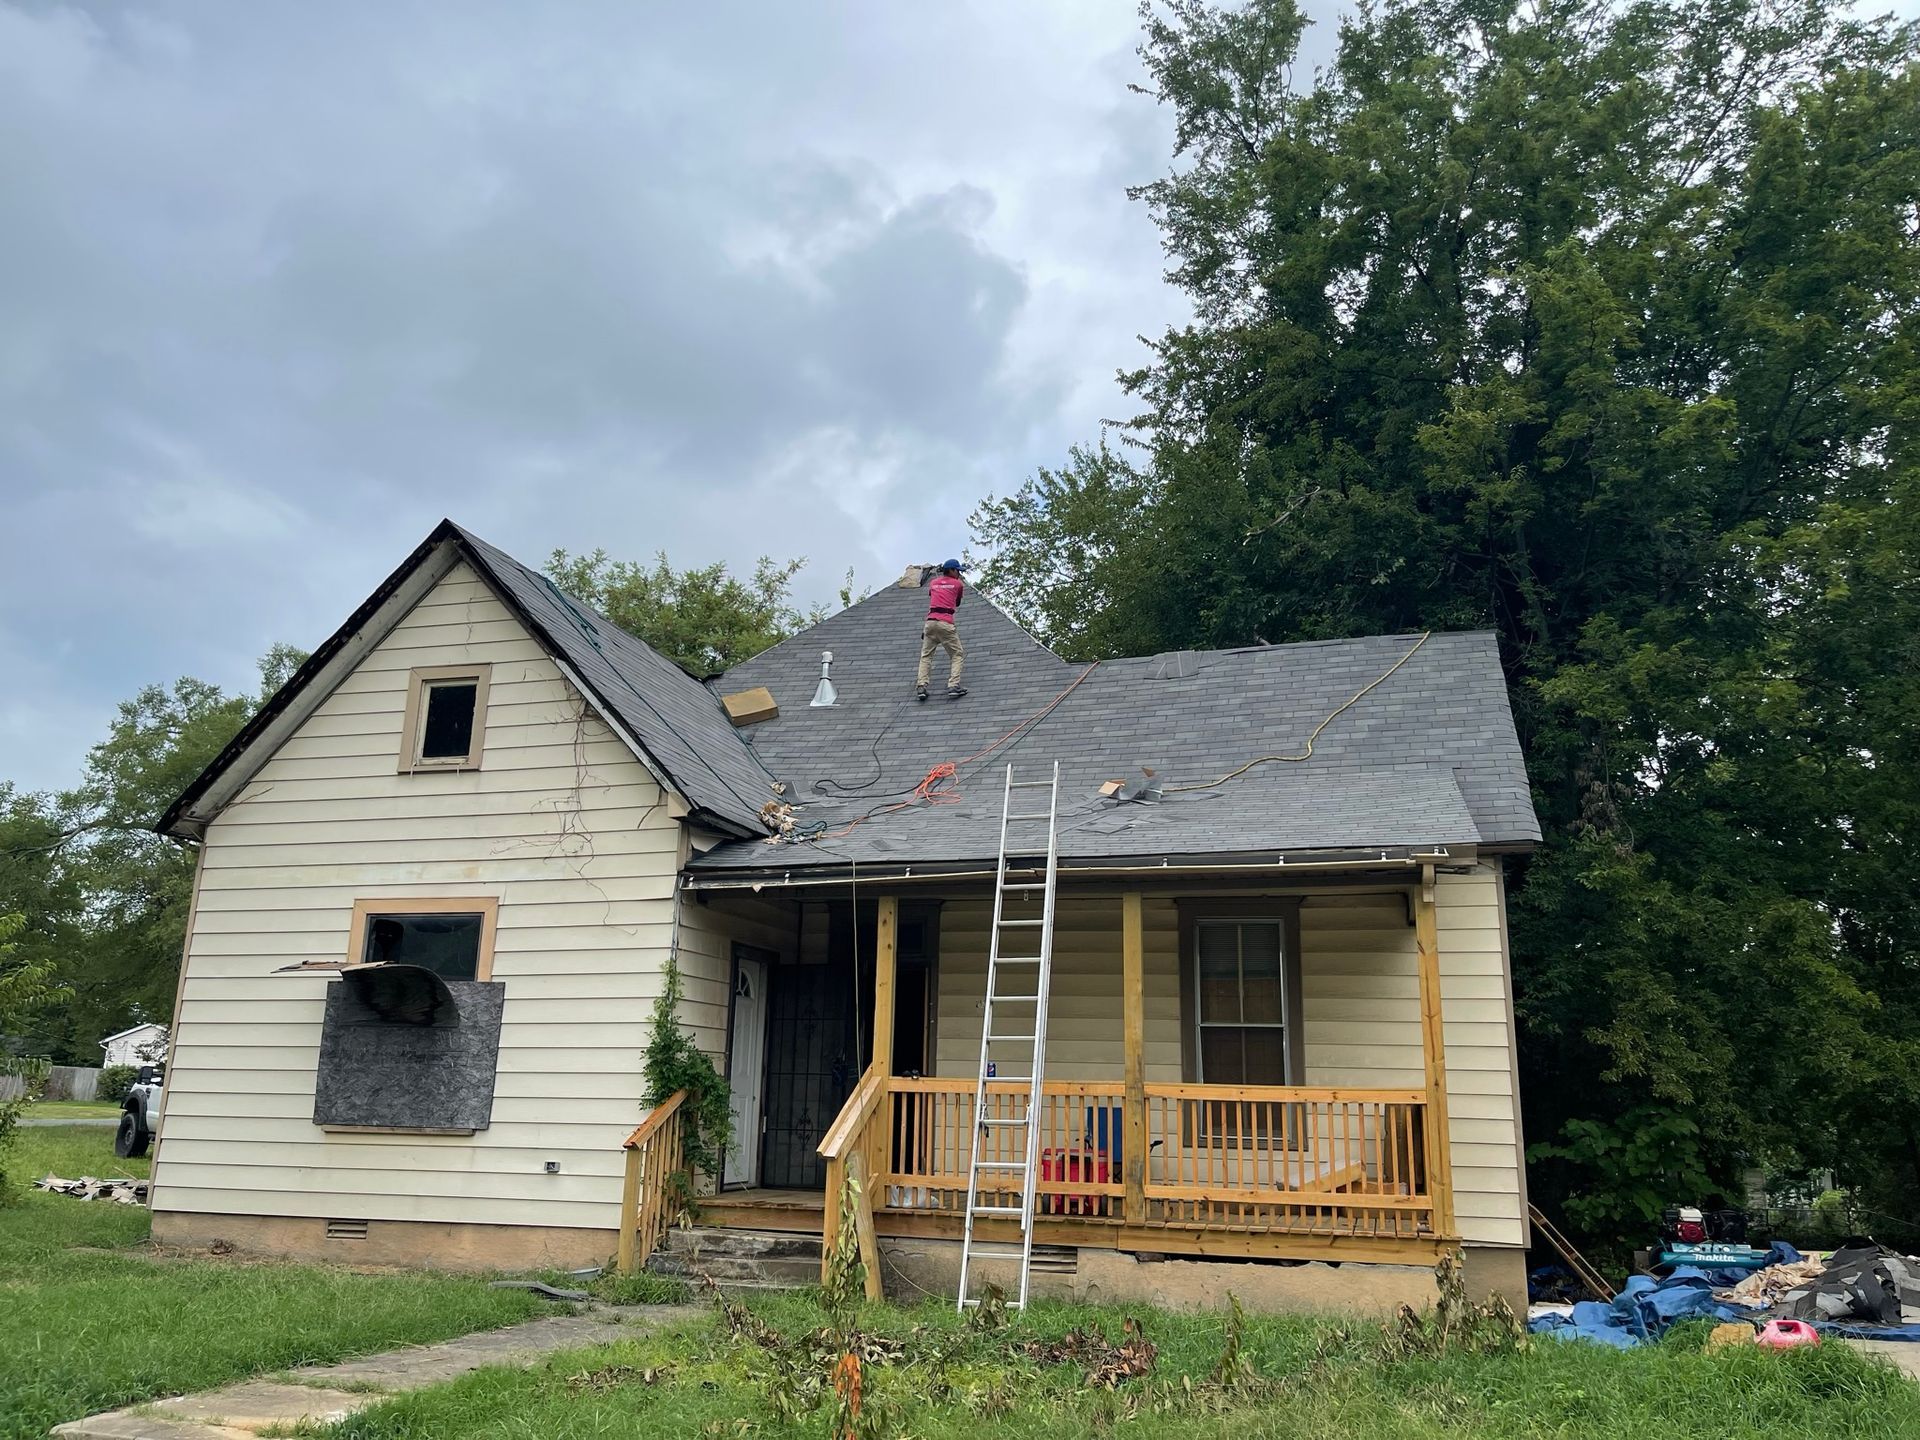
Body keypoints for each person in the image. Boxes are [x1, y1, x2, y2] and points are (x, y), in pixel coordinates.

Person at [916, 559, 967, 700]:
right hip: (945, 623)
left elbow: (934, 599)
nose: (959, 574)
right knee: (957, 654)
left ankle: (921, 686)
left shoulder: (933, 583)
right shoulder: (958, 584)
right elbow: (956, 602)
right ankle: (953, 685)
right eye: (957, 571)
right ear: (951, 570)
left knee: (926, 656)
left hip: (930, 623)